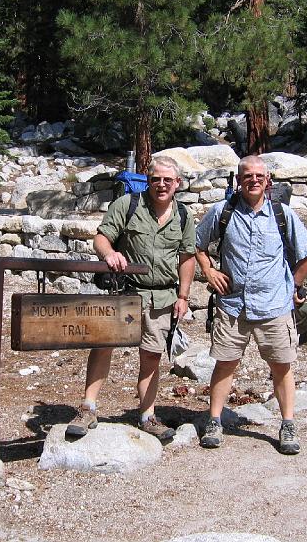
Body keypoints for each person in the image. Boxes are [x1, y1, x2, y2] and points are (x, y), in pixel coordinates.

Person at [195, 155, 307, 454]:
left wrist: (295, 286)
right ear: (239, 180)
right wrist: (209, 271)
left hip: (274, 305)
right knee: (225, 364)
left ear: (268, 182)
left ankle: (288, 424)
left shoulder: (282, 214)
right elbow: (196, 245)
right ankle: (215, 420)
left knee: (281, 366)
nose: (253, 180)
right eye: (247, 175)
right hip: (232, 304)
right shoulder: (221, 212)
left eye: (259, 176)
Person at [66, 155, 196, 440]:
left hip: (162, 298)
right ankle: (87, 408)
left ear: (178, 183)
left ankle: (147, 416)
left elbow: (187, 256)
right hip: (125, 293)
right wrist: (109, 254)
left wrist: (184, 296)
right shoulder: (128, 205)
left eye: (167, 180)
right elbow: (101, 237)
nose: (161, 185)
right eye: (155, 179)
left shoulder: (184, 215)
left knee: (151, 356)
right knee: (104, 347)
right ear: (147, 180)